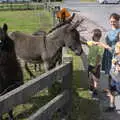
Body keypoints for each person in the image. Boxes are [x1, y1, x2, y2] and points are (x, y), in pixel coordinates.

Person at [87, 29, 111, 99]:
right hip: (90, 63)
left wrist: (96, 66)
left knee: (96, 79)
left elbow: (99, 57)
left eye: (93, 35)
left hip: (96, 65)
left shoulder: (100, 46)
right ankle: (91, 88)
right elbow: (86, 42)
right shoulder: (92, 43)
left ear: (97, 37)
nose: (92, 36)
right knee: (91, 76)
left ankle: (95, 91)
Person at [105, 42, 120, 112]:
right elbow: (107, 47)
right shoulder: (115, 53)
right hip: (112, 76)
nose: (115, 48)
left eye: (117, 47)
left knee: (117, 92)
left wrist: (118, 67)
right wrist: (97, 43)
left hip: (118, 79)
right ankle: (111, 106)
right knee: (111, 91)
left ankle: (116, 106)